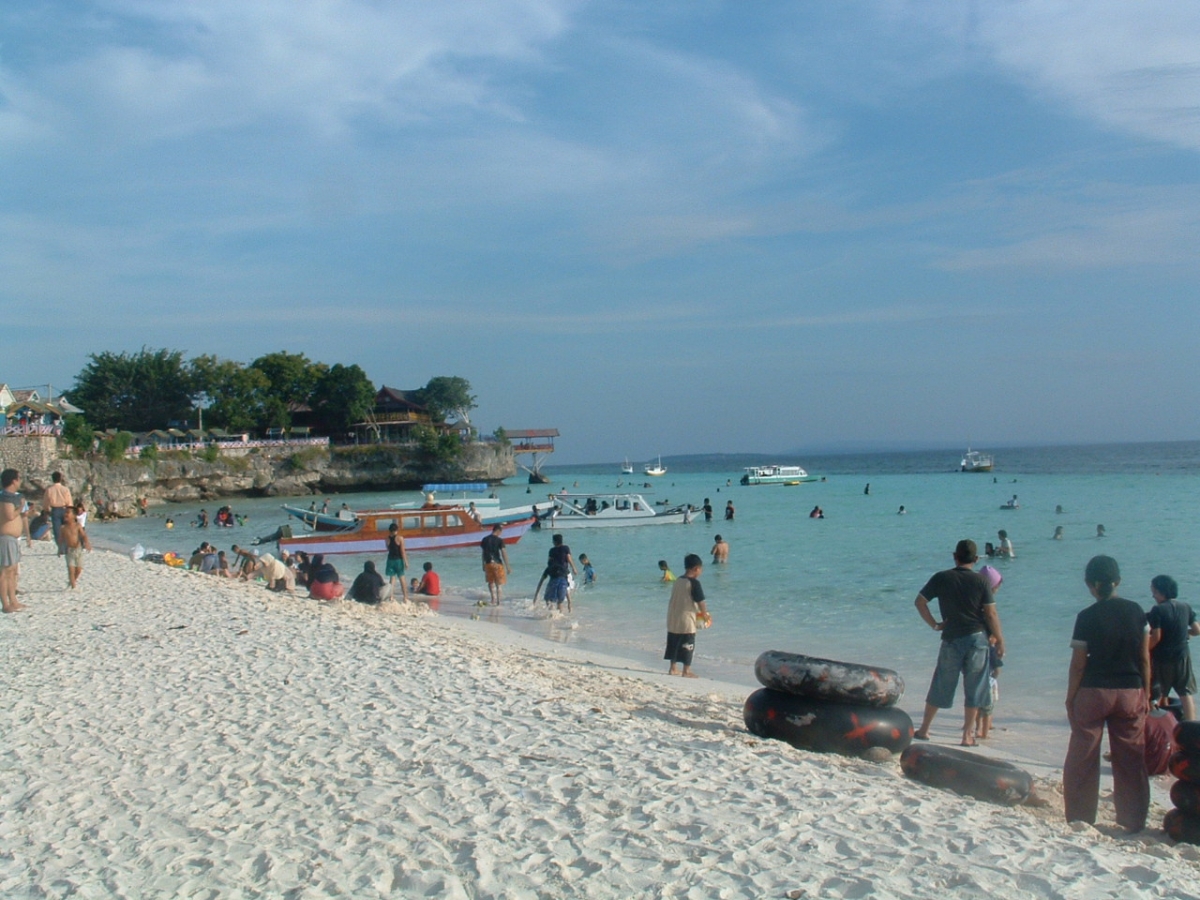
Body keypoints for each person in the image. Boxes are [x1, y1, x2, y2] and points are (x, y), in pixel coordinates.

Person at [1063, 555, 1150, 833]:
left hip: (1093, 691)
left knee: (1083, 755)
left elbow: (1079, 664)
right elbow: (1144, 658)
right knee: (1131, 757)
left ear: (1090, 584)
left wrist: (1070, 697)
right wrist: (1147, 692)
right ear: (1118, 581)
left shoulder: (1086, 616)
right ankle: (1133, 820)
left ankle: (1080, 817)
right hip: (1130, 691)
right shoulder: (1137, 611)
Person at [913, 539, 1005, 746]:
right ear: (976, 559)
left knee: (942, 683)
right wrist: (1000, 640)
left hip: (951, 638)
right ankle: (967, 736)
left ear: (955, 556)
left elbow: (919, 602)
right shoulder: (981, 581)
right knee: (975, 687)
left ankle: (924, 729)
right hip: (977, 638)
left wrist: (935, 624)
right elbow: (991, 613)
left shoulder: (942, 577)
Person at [1147, 574, 1199, 721]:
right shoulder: (1185, 607)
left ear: (1160, 592)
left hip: (1163, 658)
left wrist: (1145, 650)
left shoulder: (1158, 610)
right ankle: (1190, 725)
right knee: (1185, 692)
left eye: (1154, 592)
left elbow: (1156, 637)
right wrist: (1186, 633)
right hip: (1182, 656)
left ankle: (1162, 723)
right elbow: (1197, 630)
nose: (1153, 596)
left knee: (1160, 691)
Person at [665, 554, 709, 678]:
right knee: (688, 644)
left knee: (673, 643)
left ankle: (673, 668)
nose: (700, 572)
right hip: (687, 619)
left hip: (673, 618)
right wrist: (705, 614)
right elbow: (700, 601)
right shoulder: (694, 583)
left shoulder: (678, 580)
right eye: (700, 569)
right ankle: (686, 670)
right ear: (696, 568)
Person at [975, 566, 1004, 739]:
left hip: (975, 651)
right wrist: (999, 640)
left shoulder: (973, 600)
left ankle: (975, 725)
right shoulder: (987, 605)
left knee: (976, 693)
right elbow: (991, 621)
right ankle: (984, 729)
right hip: (987, 651)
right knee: (988, 698)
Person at [0, 469, 27, 613]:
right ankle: (5, 604)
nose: (20, 481)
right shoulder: (5, 497)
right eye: (19, 478)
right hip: (6, 538)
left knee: (12, 571)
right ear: (13, 480)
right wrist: (21, 507)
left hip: (12, 539)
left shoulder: (10, 497)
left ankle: (13, 601)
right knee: (5, 571)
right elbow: (10, 516)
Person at [57, 507, 92, 589]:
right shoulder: (63, 528)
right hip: (69, 551)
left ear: (74, 516)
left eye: (68, 513)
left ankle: (72, 581)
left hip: (78, 550)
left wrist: (87, 543)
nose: (65, 514)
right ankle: (73, 587)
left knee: (79, 569)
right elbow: (61, 539)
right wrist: (59, 549)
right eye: (65, 513)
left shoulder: (77, 526)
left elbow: (83, 535)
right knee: (71, 570)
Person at [43, 471, 72, 554]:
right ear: (60, 478)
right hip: (64, 509)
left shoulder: (49, 490)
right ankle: (67, 547)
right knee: (67, 529)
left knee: (57, 530)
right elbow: (69, 502)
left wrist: (46, 510)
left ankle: (61, 547)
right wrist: (70, 512)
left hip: (55, 510)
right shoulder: (65, 489)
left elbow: (46, 502)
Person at [481, 524, 510, 606]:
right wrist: (508, 566)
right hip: (497, 563)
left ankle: (493, 599)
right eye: (501, 532)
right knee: (498, 584)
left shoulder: (485, 539)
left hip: (488, 563)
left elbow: (483, 553)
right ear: (498, 531)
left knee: (490, 582)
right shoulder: (499, 540)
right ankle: (499, 602)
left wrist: (483, 564)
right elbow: (503, 553)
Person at [385, 524, 410, 602]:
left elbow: (388, 549)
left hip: (390, 560)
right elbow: (402, 551)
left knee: (392, 579)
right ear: (396, 530)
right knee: (402, 578)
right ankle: (405, 597)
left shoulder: (386, 539)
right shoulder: (400, 538)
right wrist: (406, 562)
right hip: (398, 560)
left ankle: (391, 596)